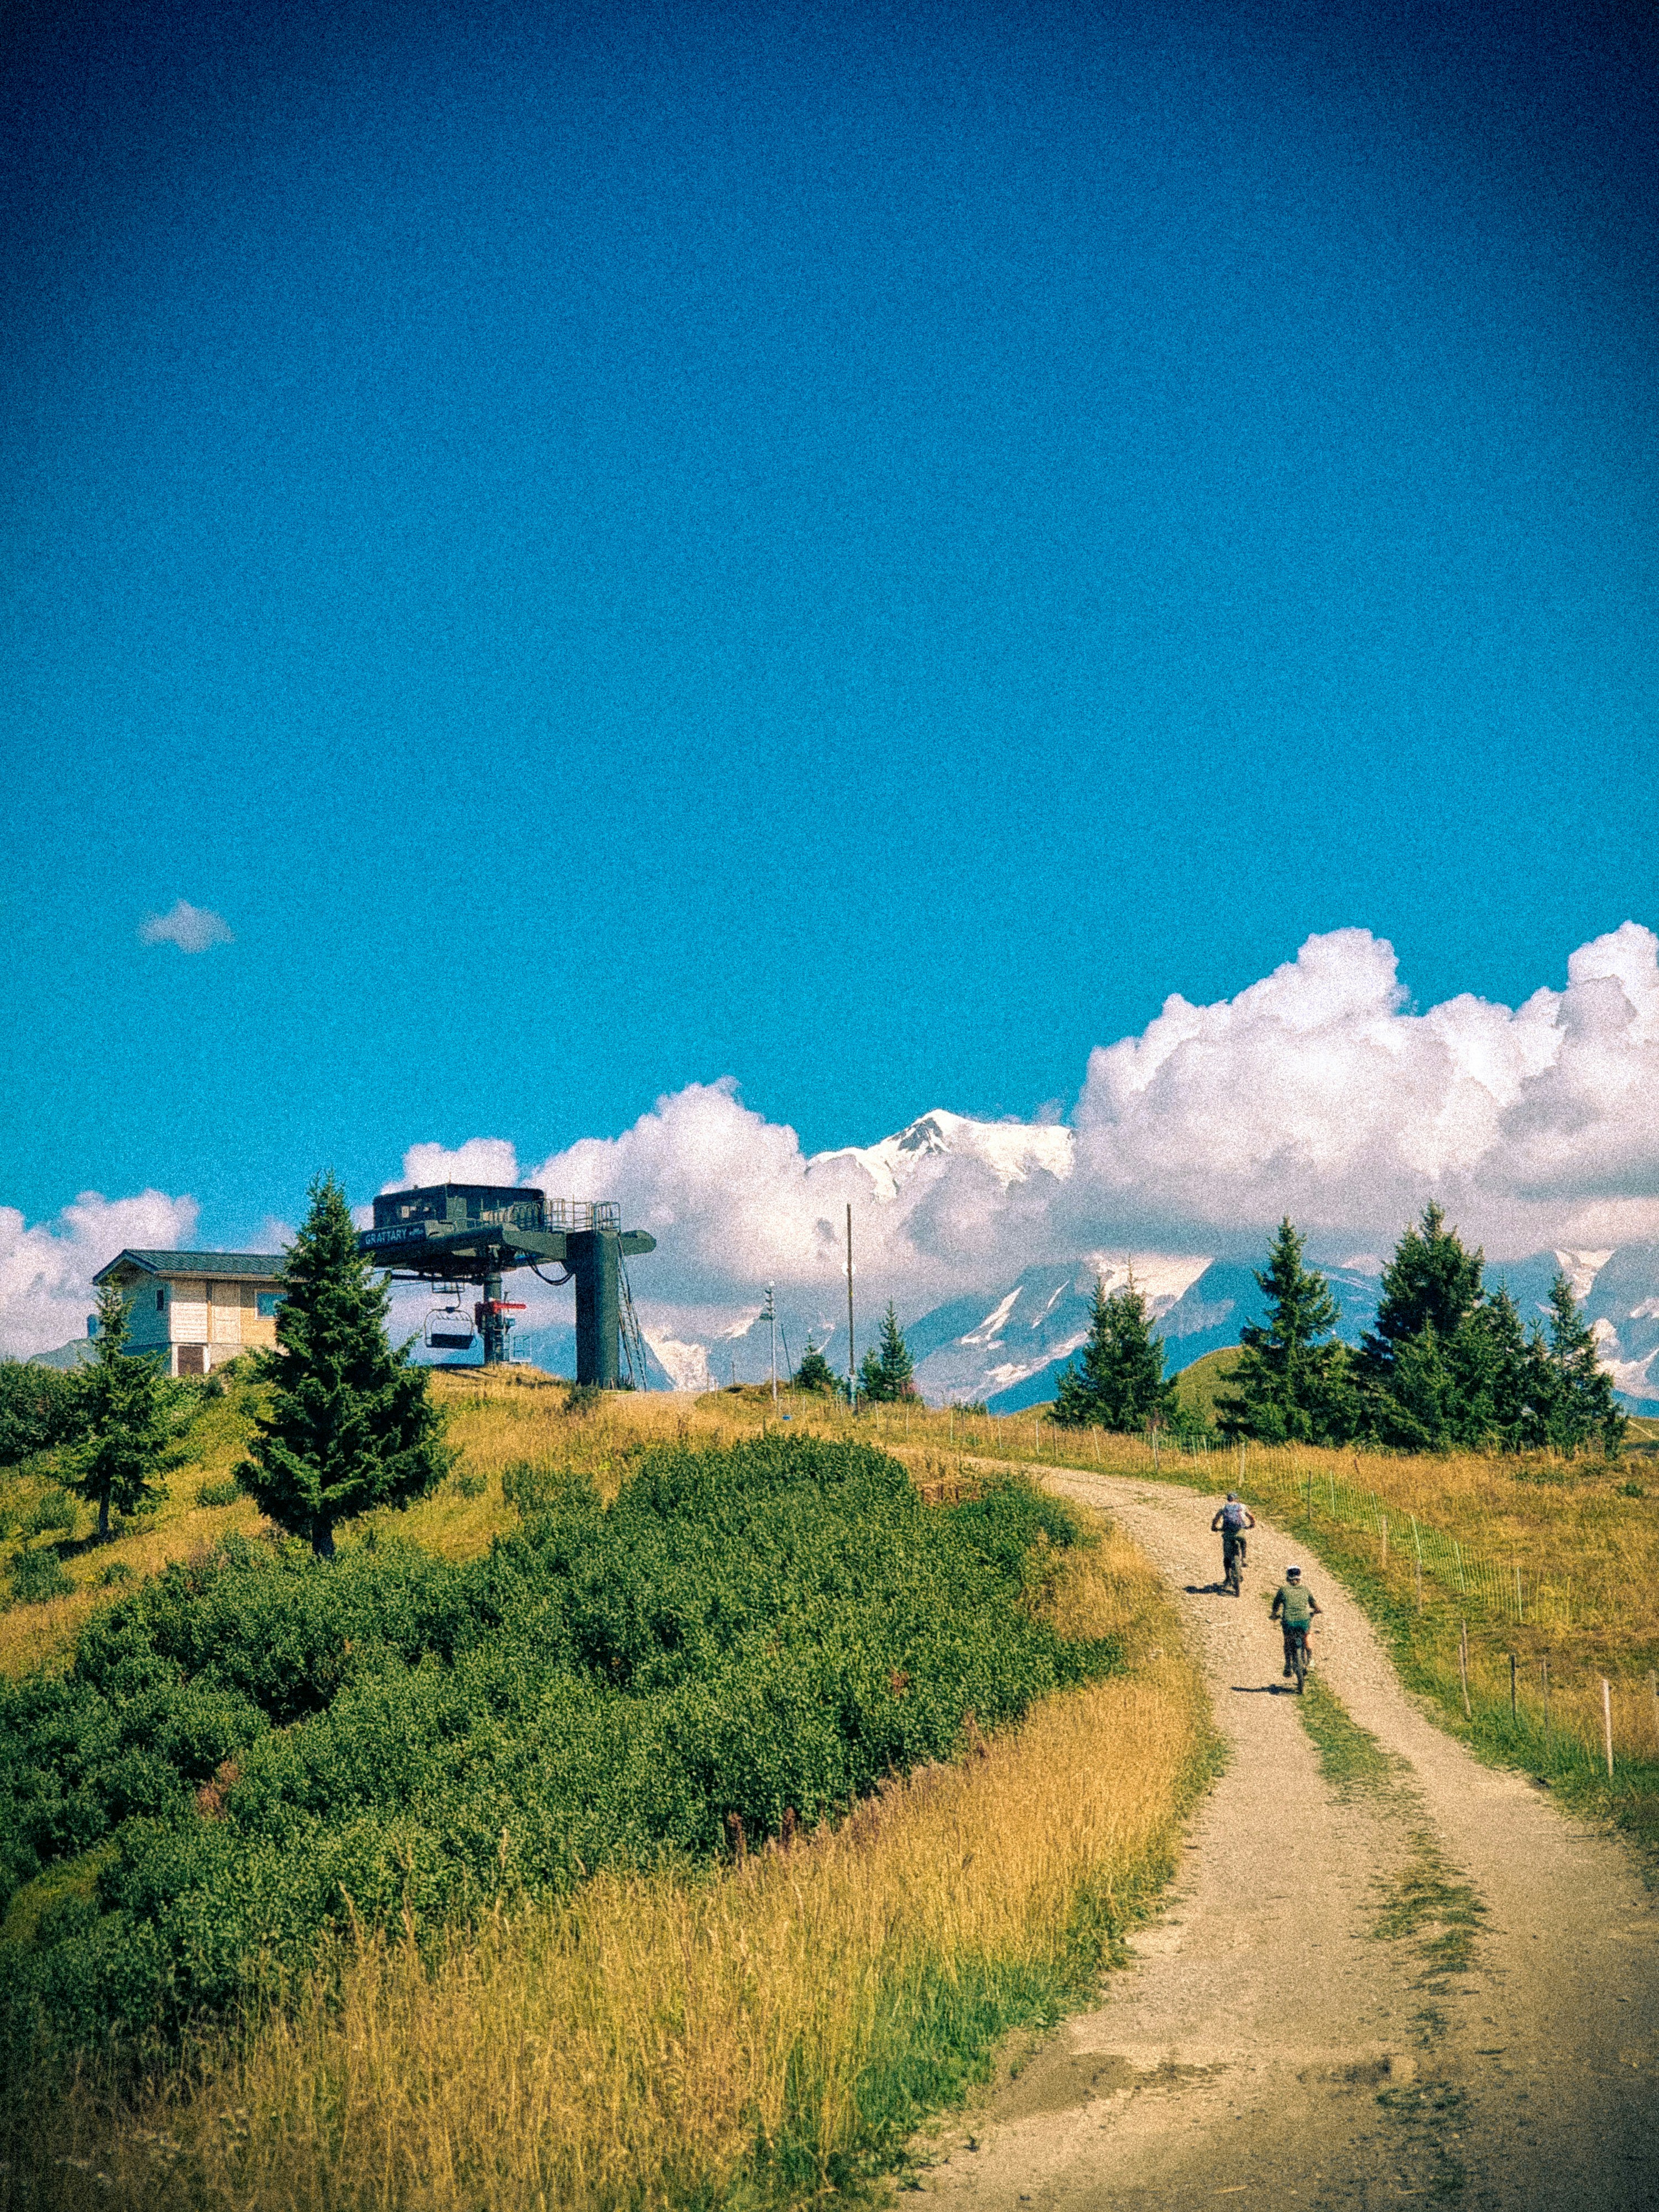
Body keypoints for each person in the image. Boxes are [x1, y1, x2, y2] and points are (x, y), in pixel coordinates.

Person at [1270, 1564, 1322, 1688]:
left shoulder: (1283, 1590)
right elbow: (1315, 1605)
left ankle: (1288, 1665)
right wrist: (1317, 1611)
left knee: (1287, 1640)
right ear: (1300, 1577)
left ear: (1287, 1578)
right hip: (1304, 1621)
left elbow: (1276, 1605)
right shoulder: (1305, 1590)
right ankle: (1310, 1659)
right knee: (1307, 1634)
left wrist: (1274, 1615)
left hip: (1289, 1621)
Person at [1210, 1491, 1255, 1593]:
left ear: (1228, 1499)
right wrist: (1252, 1525)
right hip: (1239, 1532)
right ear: (1237, 1499)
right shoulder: (1242, 1506)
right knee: (1243, 1541)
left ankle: (1228, 1578)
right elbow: (1251, 1517)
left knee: (1226, 1557)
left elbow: (1216, 1519)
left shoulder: (1224, 1507)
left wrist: (1214, 1527)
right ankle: (1244, 1558)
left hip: (1228, 1533)